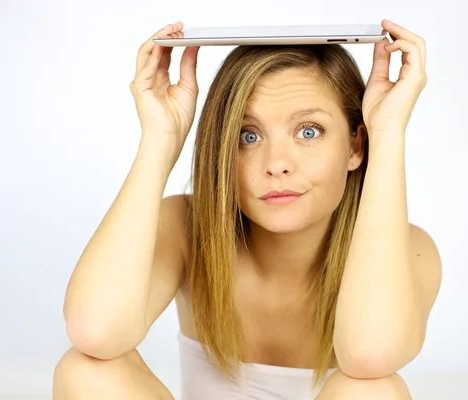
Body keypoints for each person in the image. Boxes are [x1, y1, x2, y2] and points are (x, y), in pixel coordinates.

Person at [53, 18, 442, 400]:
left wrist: (388, 132)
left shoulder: (411, 251)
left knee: (374, 391)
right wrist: (160, 138)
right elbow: (95, 330)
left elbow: (370, 354)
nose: (276, 162)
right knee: (86, 369)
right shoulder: (186, 227)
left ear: (356, 146)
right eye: (248, 136)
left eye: (308, 131)